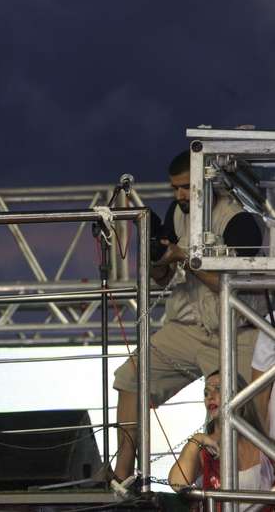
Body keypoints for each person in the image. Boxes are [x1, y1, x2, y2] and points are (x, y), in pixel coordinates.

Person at [112, 150, 264, 482]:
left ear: (208, 184)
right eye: (175, 188)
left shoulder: (239, 221)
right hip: (186, 327)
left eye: (185, 188)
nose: (180, 195)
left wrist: (185, 256)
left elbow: (231, 288)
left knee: (252, 414)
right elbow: (163, 279)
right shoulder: (177, 212)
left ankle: (244, 487)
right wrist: (158, 256)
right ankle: (122, 475)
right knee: (130, 377)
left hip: (236, 329)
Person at [169, 371, 274, 511]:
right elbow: (177, 483)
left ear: (239, 395)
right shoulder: (202, 447)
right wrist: (197, 439)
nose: (210, 397)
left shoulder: (264, 444)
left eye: (218, 389)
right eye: (206, 393)